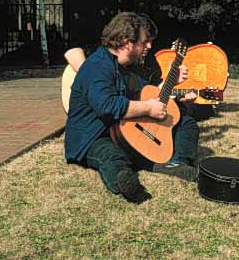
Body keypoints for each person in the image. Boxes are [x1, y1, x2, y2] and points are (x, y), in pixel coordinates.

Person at [64, 12, 200, 204]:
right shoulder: (97, 67)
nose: (149, 46)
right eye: (144, 42)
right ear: (128, 43)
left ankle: (177, 163)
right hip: (94, 135)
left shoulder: (131, 67)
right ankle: (124, 182)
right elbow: (107, 106)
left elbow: (146, 96)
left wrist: (171, 84)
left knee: (185, 123)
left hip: (127, 129)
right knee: (110, 155)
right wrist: (147, 108)